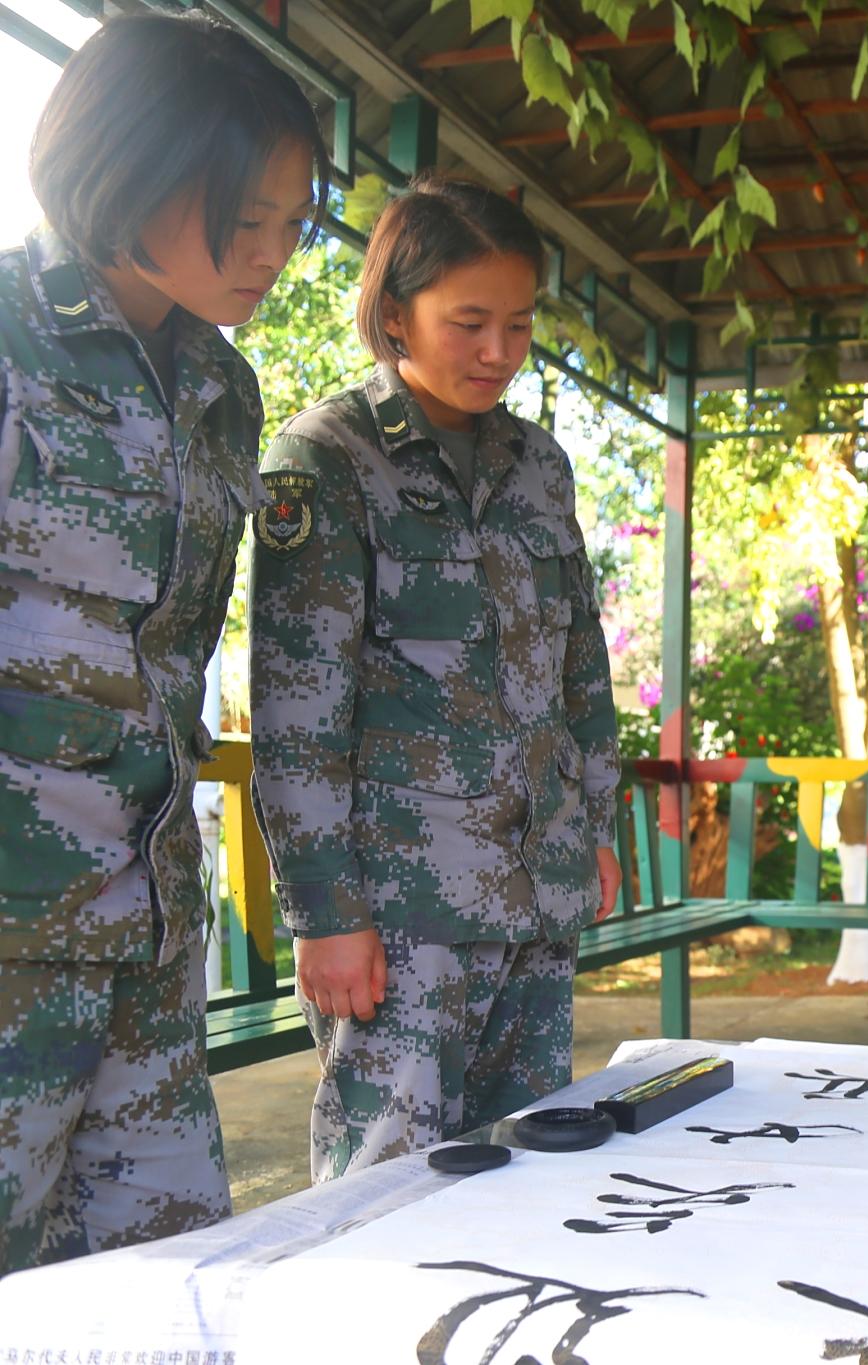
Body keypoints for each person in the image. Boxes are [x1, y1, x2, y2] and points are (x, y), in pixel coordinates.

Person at [0, 13, 322, 1273]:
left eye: (294, 222)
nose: (272, 254)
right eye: (244, 217)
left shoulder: (220, 387)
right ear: (129, 167)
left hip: (145, 922)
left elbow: (176, 658)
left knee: (166, 1285)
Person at [249, 176, 620, 1183]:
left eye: (517, 324)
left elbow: (581, 667)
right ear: (393, 312)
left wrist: (596, 828)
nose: (499, 352)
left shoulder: (539, 466)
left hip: (535, 892)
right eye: (468, 323)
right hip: (402, 918)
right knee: (387, 1185)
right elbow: (297, 713)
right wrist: (326, 914)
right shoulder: (324, 459)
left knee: (530, 1169)